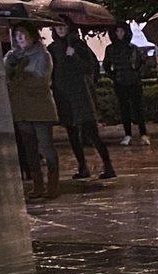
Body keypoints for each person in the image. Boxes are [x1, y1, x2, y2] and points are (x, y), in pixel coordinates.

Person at [49, 18, 115, 181]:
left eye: (63, 26)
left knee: (91, 131)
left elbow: (90, 68)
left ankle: (107, 165)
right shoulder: (52, 49)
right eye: (57, 26)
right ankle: (82, 166)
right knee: (71, 132)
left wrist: (74, 56)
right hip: (62, 95)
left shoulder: (79, 46)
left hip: (80, 93)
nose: (60, 29)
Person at [4, 22, 60, 199]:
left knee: (46, 146)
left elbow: (42, 79)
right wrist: (10, 69)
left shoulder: (43, 55)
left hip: (40, 108)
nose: (20, 37)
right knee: (30, 149)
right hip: (21, 109)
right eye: (17, 34)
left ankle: (53, 185)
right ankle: (37, 185)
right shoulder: (12, 57)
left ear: (32, 35)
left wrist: (21, 77)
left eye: (23, 33)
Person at [104, 25, 151, 146]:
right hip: (120, 82)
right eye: (117, 31)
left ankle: (143, 134)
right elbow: (106, 65)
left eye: (122, 31)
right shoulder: (110, 49)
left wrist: (137, 74)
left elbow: (142, 63)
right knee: (124, 109)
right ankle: (127, 134)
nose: (120, 33)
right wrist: (114, 76)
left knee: (138, 108)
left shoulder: (133, 48)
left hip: (134, 82)